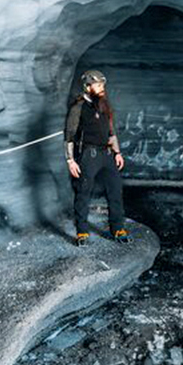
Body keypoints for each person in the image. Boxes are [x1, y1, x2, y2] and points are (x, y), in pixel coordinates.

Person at [65, 69, 128, 245]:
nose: (101, 88)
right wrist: (70, 160)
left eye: (102, 85)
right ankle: (82, 233)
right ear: (87, 87)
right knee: (83, 193)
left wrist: (117, 152)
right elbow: (69, 135)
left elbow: (111, 132)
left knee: (115, 191)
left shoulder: (104, 104)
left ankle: (118, 229)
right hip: (88, 155)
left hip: (107, 154)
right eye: (97, 85)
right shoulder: (78, 107)